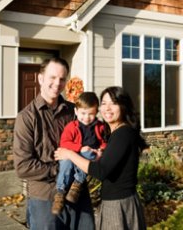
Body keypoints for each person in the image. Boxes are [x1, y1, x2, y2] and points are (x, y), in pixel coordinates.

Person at [13, 57, 95, 230]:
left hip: (77, 196)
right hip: (44, 199)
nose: (57, 83)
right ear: (40, 78)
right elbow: (23, 166)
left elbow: (92, 141)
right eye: (52, 77)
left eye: (62, 79)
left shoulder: (74, 112)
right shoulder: (26, 118)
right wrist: (62, 170)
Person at [55, 86, 148, 230]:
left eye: (113, 103)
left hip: (119, 204)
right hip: (116, 201)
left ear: (123, 106)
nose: (107, 108)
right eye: (104, 103)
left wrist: (69, 154)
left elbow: (100, 171)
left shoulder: (122, 134)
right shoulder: (114, 133)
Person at [51, 92, 107, 215]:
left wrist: (101, 150)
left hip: (88, 156)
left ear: (96, 112)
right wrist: (80, 148)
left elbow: (104, 142)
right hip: (72, 155)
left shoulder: (100, 127)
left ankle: (77, 183)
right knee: (65, 163)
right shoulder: (72, 126)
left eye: (91, 114)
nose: (86, 117)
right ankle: (60, 191)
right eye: (83, 113)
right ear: (76, 111)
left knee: (90, 155)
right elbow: (64, 143)